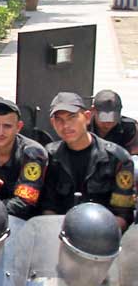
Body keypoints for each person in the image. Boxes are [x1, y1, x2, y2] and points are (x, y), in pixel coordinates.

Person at [40, 92, 135, 231]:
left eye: (72, 117)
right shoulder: (48, 156)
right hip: (59, 235)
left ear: (87, 117)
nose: (66, 125)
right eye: (59, 120)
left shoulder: (119, 159)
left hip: (102, 236)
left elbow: (122, 214)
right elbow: (47, 207)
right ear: (52, 123)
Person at [89, 89, 138, 154]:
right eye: (104, 117)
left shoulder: (129, 127)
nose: (108, 124)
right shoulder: (83, 126)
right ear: (93, 110)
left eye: (114, 118)